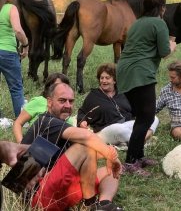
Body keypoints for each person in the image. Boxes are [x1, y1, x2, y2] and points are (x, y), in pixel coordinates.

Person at [21, 83, 123, 211]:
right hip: (36, 197)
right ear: (49, 102)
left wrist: (109, 156)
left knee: (111, 172)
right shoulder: (46, 121)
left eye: (71, 101)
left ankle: (104, 204)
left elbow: (89, 156)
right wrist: (112, 156)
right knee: (84, 146)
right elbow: (86, 138)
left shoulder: (61, 127)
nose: (68, 106)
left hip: (57, 191)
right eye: (62, 101)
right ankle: (90, 204)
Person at [117, 0, 175, 175]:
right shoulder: (159, 23)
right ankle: (131, 163)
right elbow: (164, 51)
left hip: (125, 70)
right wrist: (172, 45)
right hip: (140, 72)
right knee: (147, 117)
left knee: (142, 116)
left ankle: (138, 156)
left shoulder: (137, 23)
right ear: (161, 8)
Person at [77, 63, 159, 147]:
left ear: (115, 80)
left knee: (153, 118)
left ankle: (141, 139)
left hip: (125, 124)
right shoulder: (93, 96)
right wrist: (82, 122)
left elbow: (134, 110)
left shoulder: (122, 93)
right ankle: (138, 141)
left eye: (107, 78)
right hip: (106, 130)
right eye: (102, 78)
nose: (104, 81)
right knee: (119, 129)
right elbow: (82, 112)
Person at [0, 0, 29, 117]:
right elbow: (18, 30)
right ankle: (20, 118)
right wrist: (25, 45)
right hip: (8, 53)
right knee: (16, 87)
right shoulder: (10, 8)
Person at [13, 73, 71, 143]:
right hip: (35, 144)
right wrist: (21, 144)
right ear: (48, 87)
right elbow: (18, 123)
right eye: (57, 86)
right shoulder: (39, 101)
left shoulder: (67, 106)